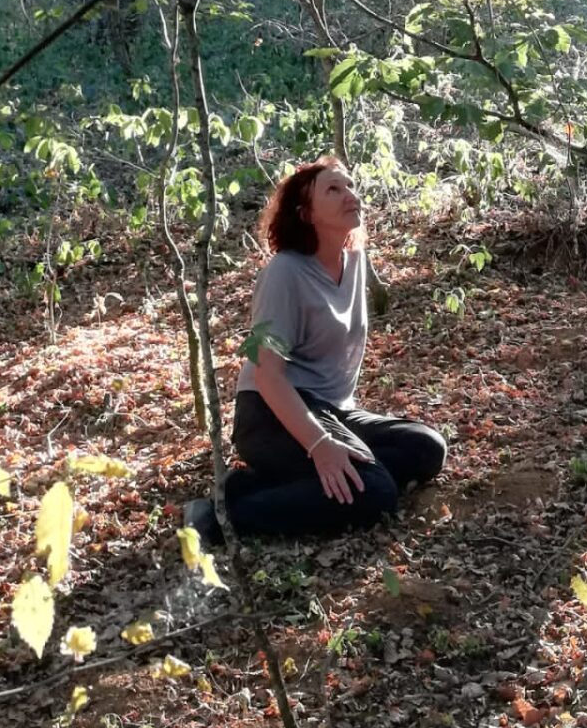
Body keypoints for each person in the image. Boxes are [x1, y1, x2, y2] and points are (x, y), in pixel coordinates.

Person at [183, 159, 446, 545]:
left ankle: (268, 483)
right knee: (375, 490)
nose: (350, 196)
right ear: (306, 214)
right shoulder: (283, 274)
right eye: (333, 190)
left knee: (425, 448)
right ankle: (219, 515)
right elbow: (266, 374)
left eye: (350, 185)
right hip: (269, 414)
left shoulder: (353, 258)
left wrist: (331, 439)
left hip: (332, 408)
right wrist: (321, 446)